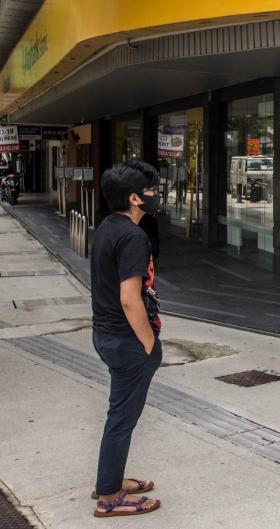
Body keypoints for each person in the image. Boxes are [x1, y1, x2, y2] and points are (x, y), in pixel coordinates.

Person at [90, 159, 162, 518]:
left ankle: (111, 479)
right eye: (149, 191)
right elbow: (130, 298)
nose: (154, 196)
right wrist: (149, 344)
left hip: (105, 334)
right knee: (121, 419)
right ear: (134, 198)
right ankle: (109, 497)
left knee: (119, 415)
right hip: (127, 340)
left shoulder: (107, 227)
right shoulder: (133, 237)